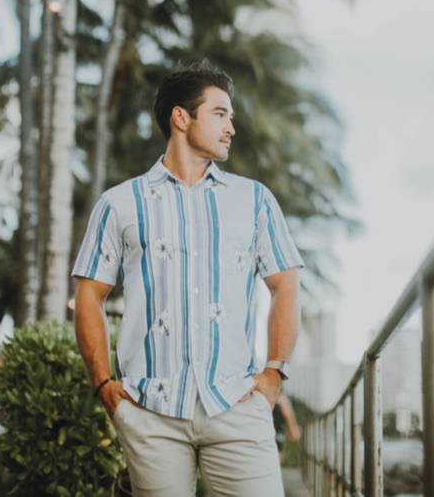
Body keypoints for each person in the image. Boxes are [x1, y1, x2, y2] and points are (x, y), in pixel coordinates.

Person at [73, 60, 304, 497]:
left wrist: (273, 374)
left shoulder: (254, 200)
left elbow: (285, 285)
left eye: (231, 116)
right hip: (151, 414)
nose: (231, 127)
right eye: (220, 113)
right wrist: (103, 384)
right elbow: (89, 294)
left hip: (237, 407)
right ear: (181, 117)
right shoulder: (119, 203)